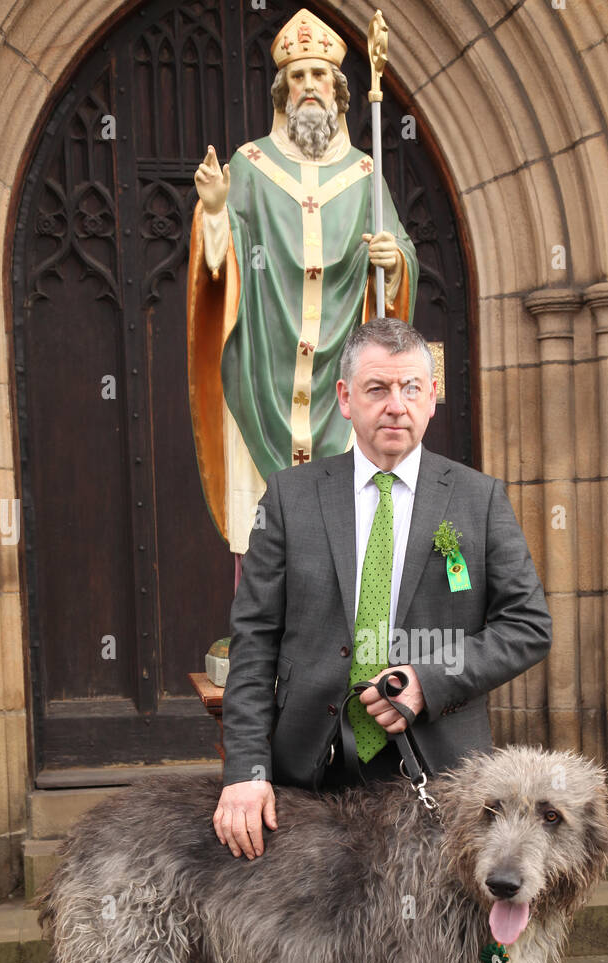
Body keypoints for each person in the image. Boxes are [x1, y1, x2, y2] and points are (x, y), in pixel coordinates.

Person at [213, 317, 553, 963]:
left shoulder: (474, 500)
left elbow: (526, 624)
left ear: (432, 398)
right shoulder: (292, 497)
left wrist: (430, 684)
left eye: (410, 388)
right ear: (345, 399)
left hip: (441, 791)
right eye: (376, 388)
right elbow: (252, 643)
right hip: (318, 784)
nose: (394, 404)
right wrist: (245, 768)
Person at [187, 6, 418, 557]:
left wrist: (393, 260)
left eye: (319, 76)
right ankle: (267, 638)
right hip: (263, 372)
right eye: (297, 76)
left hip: (337, 374)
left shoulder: (364, 173)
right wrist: (216, 213)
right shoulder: (249, 165)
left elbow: (398, 255)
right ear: (281, 91)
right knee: (268, 536)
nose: (308, 86)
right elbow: (221, 266)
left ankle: (347, 640)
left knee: (346, 534)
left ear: (338, 91)